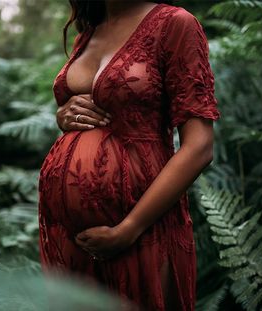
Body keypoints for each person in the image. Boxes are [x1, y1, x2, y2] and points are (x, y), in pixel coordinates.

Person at [38, 0, 220, 310]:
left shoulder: (174, 24)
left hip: (139, 227)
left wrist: (128, 229)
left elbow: (199, 146)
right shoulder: (90, 30)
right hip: (66, 235)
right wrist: (64, 116)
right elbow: (99, 108)